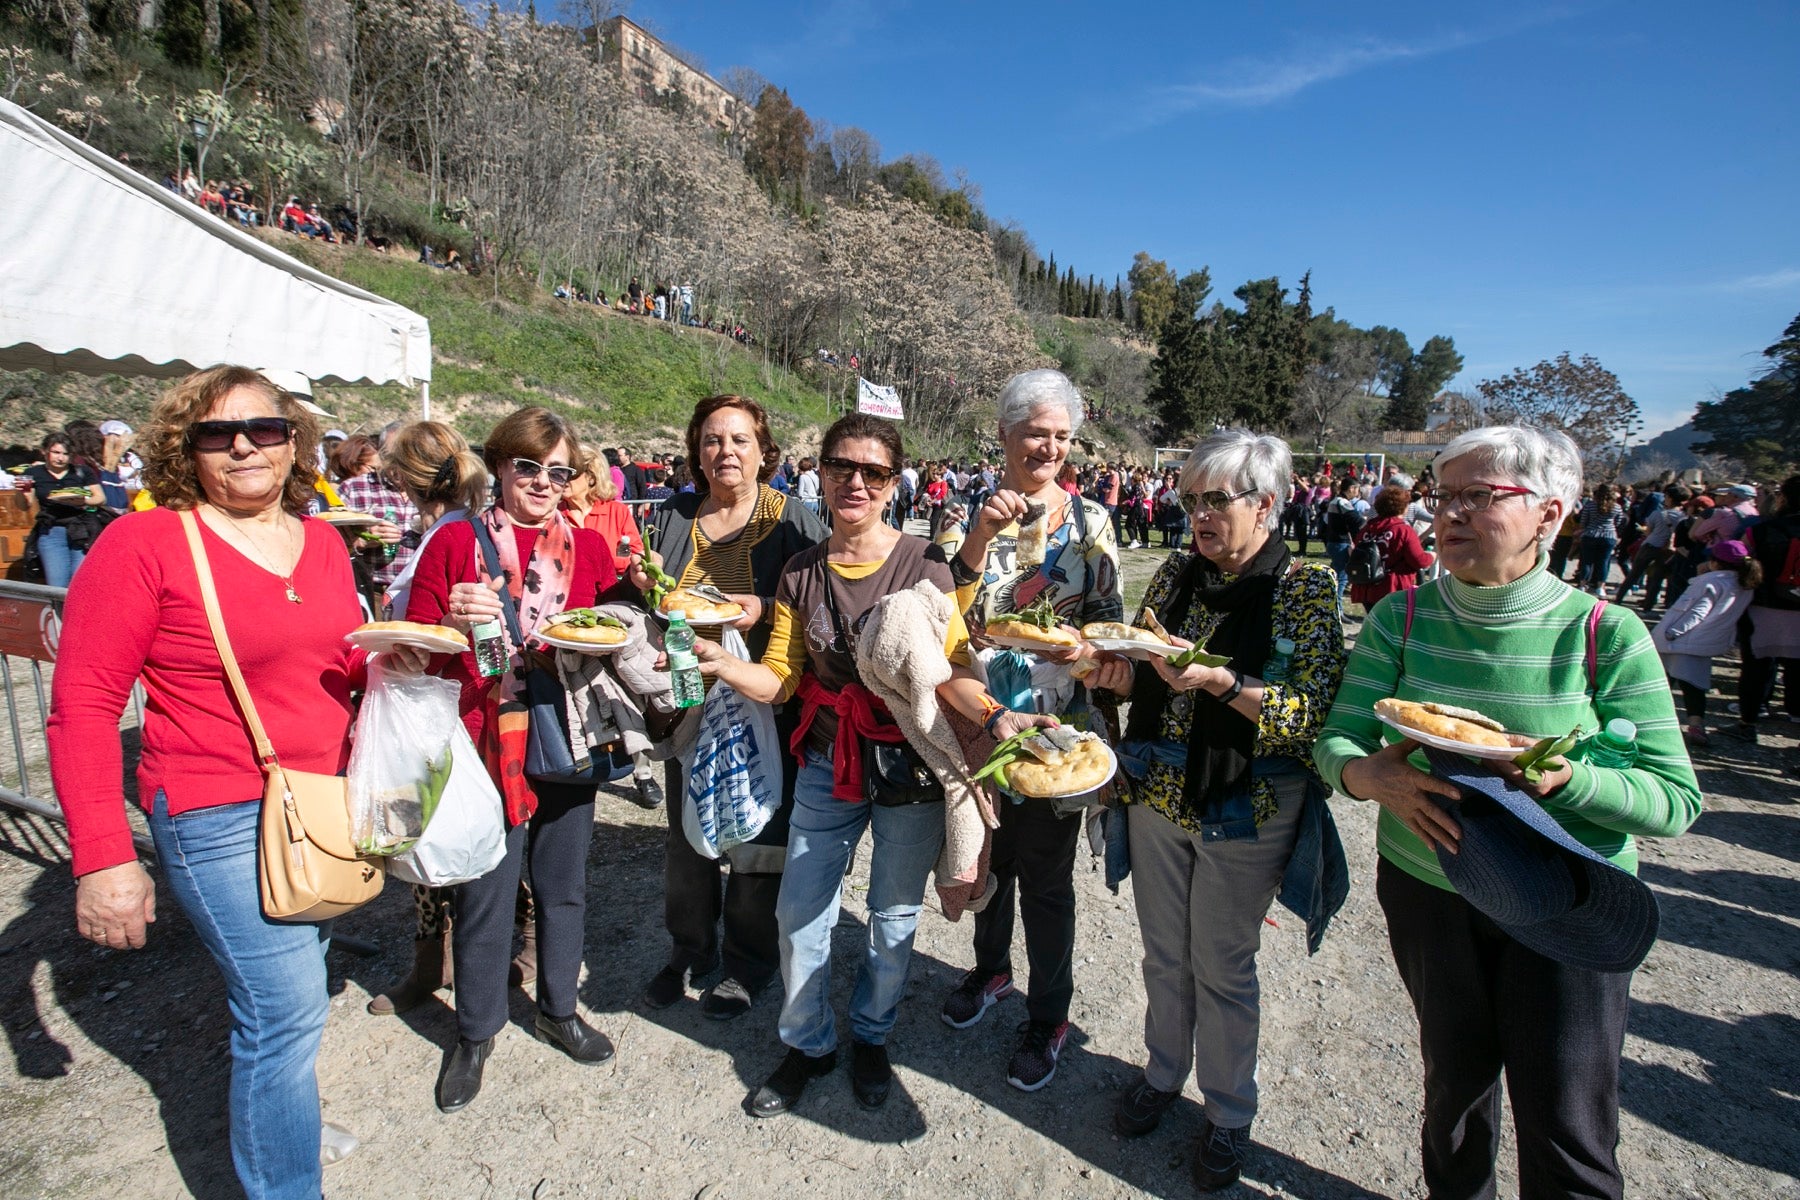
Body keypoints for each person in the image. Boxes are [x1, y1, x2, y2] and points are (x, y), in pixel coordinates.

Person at [47, 365, 428, 1199]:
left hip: (326, 799)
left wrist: (394, 663)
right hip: (218, 809)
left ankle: (281, 1116)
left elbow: (333, 667)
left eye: (264, 428)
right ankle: (285, 1181)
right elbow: (81, 705)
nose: (245, 446)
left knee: (301, 982)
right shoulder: (144, 544)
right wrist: (104, 858)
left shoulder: (323, 540)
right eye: (218, 434)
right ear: (187, 452)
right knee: (282, 1012)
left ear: (294, 441)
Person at [1313, 425, 1702, 1200]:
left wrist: (1566, 779)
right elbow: (1339, 739)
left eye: (1478, 497)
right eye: (1443, 495)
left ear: (1550, 514)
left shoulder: (1605, 633)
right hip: (1429, 890)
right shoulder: (1403, 620)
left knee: (1568, 1123)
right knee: (1453, 1094)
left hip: (1564, 901)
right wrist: (1368, 778)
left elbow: (1673, 801)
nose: (1449, 514)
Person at [690, 412, 1056, 1118]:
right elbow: (780, 677)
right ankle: (807, 1042)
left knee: (891, 917)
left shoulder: (923, 564)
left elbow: (949, 668)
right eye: (841, 468)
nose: (855, 483)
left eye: (873, 472)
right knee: (800, 911)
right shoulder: (800, 571)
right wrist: (719, 665)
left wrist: (995, 717)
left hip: (908, 768)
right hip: (829, 760)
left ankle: (871, 1036)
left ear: (894, 484)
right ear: (820, 474)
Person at [1085, 429, 1347, 1192]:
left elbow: (1309, 715)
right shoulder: (1174, 573)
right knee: (1164, 953)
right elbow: (1145, 673)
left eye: (1216, 500)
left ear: (1266, 505)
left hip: (1249, 803)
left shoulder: (1302, 590)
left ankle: (1229, 1114)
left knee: (1223, 965)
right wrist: (1111, 675)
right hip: (1160, 793)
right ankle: (1163, 1075)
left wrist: (1220, 683)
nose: (1198, 515)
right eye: (1190, 500)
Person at [404, 406, 626, 1113]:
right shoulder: (455, 542)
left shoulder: (587, 547)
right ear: (500, 464)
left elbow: (613, 626)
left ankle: (559, 1009)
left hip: (566, 731)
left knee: (563, 884)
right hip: (483, 736)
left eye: (558, 471)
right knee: (486, 890)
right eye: (528, 466)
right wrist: (448, 622)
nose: (541, 482)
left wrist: (617, 632)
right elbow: (409, 643)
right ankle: (474, 1032)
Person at [933, 368, 1123, 1091]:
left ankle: (1049, 1017)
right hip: (983, 715)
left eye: (1061, 435)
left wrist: (1091, 650)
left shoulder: (1091, 522)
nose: (1047, 445)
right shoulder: (963, 517)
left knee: (1046, 876)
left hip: (1059, 725)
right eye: (1034, 431)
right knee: (991, 857)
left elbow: (1112, 621)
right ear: (1005, 434)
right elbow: (944, 614)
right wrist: (982, 535)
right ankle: (990, 972)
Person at [629, 395, 828, 1016]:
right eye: (713, 441)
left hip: (764, 697)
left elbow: (824, 595)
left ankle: (748, 962)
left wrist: (763, 608)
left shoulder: (792, 518)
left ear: (764, 450)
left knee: (759, 837)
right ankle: (688, 951)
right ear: (696, 451)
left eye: (740, 440)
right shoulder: (674, 514)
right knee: (687, 842)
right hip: (687, 694)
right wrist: (644, 581)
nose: (726, 453)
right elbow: (649, 594)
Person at [362, 420, 494, 1015]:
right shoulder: (459, 528)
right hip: (448, 711)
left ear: (403, 479)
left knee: (425, 839)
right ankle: (440, 963)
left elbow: (424, 637)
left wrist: (388, 642)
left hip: (435, 717)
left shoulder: (447, 536)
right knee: (442, 840)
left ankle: (442, 968)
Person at [1653, 538, 1758, 748]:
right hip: (1705, 644)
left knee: (1660, 683)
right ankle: (1696, 725)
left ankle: (1653, 724)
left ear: (1715, 562)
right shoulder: (1745, 585)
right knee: (1694, 687)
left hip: (1680, 642)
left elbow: (1698, 611)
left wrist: (1673, 632)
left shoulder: (1711, 582)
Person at [1722, 475, 1800, 743]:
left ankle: (1749, 721)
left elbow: (1740, 563)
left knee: (1757, 666)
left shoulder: (1762, 530)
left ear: (1784, 498)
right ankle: (1794, 713)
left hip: (1764, 607)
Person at [23, 431, 107, 587]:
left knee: (80, 583)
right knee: (57, 583)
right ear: (45, 451)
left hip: (82, 530)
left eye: (65, 454)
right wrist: (23, 493)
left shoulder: (82, 471)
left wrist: (80, 500)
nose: (60, 458)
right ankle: (58, 612)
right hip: (51, 531)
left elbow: (100, 498)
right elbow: (24, 505)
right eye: (56, 452)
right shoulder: (33, 473)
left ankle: (77, 612)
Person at [1347, 484, 1435, 611]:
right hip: (1392, 587)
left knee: (1375, 624)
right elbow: (1418, 560)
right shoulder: (1403, 530)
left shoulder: (1367, 529)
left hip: (1366, 587)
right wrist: (1431, 556)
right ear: (1404, 507)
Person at [1320, 477, 1367, 602]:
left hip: (1333, 542)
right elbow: (1356, 520)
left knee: (1335, 576)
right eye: (1357, 489)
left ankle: (1331, 604)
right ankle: (1338, 609)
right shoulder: (1342, 502)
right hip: (1340, 542)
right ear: (1351, 488)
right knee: (1341, 578)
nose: (1358, 493)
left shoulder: (1335, 501)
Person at [1575, 482, 1626, 595]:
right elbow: (1618, 522)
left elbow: (1583, 521)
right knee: (1603, 562)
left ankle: (1583, 584)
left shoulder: (1590, 505)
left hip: (1591, 534)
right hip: (1608, 536)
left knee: (1587, 561)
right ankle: (1600, 586)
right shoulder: (1617, 507)